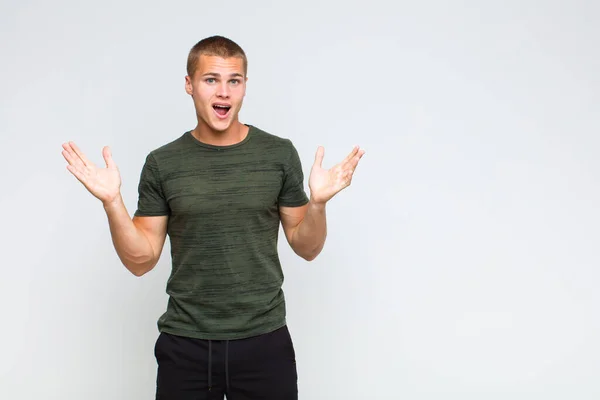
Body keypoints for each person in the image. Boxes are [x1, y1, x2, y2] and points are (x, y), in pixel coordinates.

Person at [61, 35, 364, 400]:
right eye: (211, 80)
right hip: (186, 345)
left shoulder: (278, 154)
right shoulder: (163, 163)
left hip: (264, 343)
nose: (223, 92)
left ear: (244, 87)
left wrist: (317, 204)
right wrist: (112, 202)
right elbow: (141, 260)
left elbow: (307, 246)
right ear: (189, 85)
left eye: (233, 80)